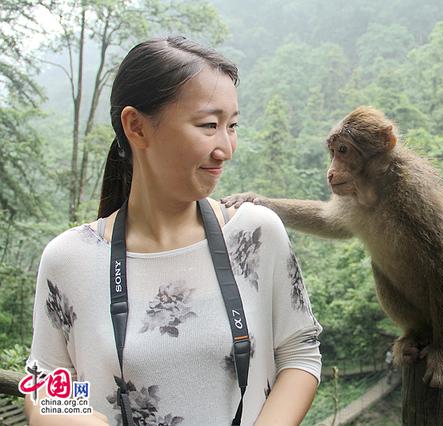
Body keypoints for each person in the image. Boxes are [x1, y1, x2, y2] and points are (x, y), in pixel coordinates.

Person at [23, 36, 322, 426]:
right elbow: (47, 381)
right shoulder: (70, 258)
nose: (226, 148)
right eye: (209, 125)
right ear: (137, 127)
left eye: (232, 126)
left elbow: (299, 351)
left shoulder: (255, 234)